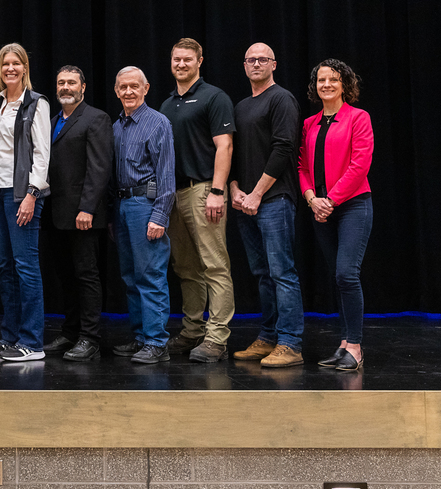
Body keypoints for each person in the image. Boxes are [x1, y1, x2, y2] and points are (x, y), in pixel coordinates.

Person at [159, 38, 236, 363]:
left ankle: (217, 338)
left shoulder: (214, 97)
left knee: (214, 265)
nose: (181, 64)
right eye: (176, 59)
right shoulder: (166, 105)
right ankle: (192, 332)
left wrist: (217, 191)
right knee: (186, 267)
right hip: (172, 196)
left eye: (187, 59)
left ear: (199, 61)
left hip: (203, 190)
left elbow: (225, 146)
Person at [229, 43, 304, 368]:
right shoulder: (242, 105)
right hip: (245, 202)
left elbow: (284, 147)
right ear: (244, 66)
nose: (256, 63)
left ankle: (291, 344)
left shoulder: (281, 99)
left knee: (282, 273)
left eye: (262, 59)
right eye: (250, 59)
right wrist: (233, 189)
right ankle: (268, 337)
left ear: (274, 64)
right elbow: (231, 152)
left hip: (273, 199)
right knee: (262, 275)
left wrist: (257, 193)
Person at [298, 59, 373, 372]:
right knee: (339, 279)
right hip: (321, 208)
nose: (326, 84)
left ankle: (355, 347)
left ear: (345, 85)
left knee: (346, 274)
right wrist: (312, 199)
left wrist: (330, 200)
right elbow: (302, 166)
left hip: (353, 205)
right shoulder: (310, 124)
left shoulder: (358, 117)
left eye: (333, 80)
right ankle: (343, 342)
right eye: (321, 80)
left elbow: (360, 163)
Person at [0, 43, 51, 362]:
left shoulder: (37, 103)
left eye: (16, 63)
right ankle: (10, 337)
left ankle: (32, 342)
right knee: (5, 267)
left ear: (25, 68)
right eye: (5, 63)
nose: (10, 68)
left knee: (26, 267)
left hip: (22, 195)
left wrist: (31, 195)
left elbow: (42, 154)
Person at [41, 65, 113, 362]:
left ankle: (90, 339)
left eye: (72, 82)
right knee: (65, 276)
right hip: (56, 214)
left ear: (83, 87)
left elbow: (99, 168)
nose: (66, 87)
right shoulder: (53, 120)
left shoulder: (96, 118)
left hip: (83, 215)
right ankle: (70, 332)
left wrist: (87, 208)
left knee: (86, 276)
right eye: (61, 82)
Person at [111, 67, 176, 364]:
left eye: (134, 86)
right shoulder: (116, 126)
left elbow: (166, 175)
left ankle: (157, 342)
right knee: (130, 276)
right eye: (123, 87)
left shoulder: (157, 122)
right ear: (116, 90)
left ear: (146, 88)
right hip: (123, 206)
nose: (128, 92)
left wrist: (160, 215)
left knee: (150, 275)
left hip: (145, 205)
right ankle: (140, 337)